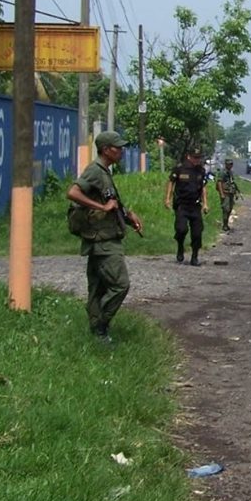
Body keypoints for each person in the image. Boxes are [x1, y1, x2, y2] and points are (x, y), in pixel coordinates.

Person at [66, 130, 143, 343]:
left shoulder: (105, 172)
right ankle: (101, 325)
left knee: (98, 287)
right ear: (106, 149)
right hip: (103, 241)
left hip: (104, 238)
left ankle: (96, 331)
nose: (121, 151)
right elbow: (73, 193)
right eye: (118, 147)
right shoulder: (95, 171)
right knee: (120, 284)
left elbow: (112, 202)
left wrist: (128, 216)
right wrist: (101, 206)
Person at [165, 147, 209, 265]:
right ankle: (180, 246)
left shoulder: (201, 170)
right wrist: (167, 199)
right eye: (195, 158)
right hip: (181, 205)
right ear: (189, 157)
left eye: (199, 158)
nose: (197, 160)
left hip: (195, 205)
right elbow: (171, 182)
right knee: (181, 229)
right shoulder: (180, 169)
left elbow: (203, 187)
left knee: (197, 232)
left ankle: (194, 256)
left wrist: (205, 203)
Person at [216, 157, 240, 231]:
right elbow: (219, 183)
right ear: (226, 164)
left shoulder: (231, 172)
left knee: (230, 209)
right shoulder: (222, 172)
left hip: (231, 193)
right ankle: (225, 225)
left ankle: (226, 224)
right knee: (225, 209)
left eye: (231, 164)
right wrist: (222, 193)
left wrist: (236, 193)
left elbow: (233, 183)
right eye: (229, 164)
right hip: (225, 193)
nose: (230, 165)